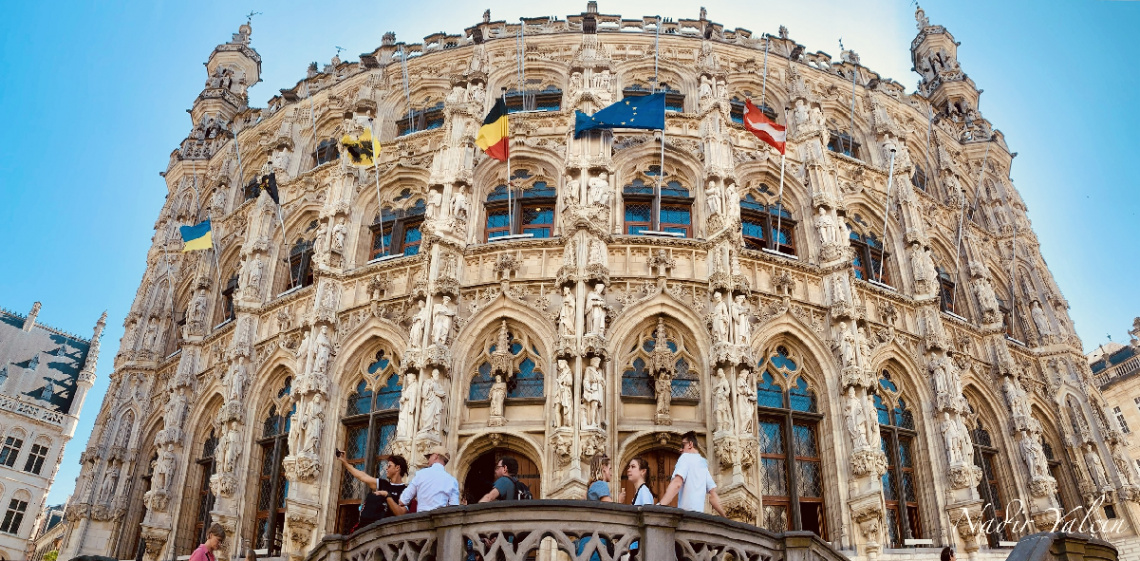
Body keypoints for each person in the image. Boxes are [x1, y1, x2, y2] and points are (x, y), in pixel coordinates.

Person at [657, 432, 727, 517]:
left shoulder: (685, 457)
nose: (680, 449)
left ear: (690, 444)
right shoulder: (703, 465)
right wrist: (726, 517)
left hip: (686, 516)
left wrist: (661, 506)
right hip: (699, 517)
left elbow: (677, 484)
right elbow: (713, 495)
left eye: (682, 446)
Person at [336, 450, 409, 530]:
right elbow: (363, 476)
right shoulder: (383, 484)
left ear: (397, 468)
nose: (386, 469)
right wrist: (345, 463)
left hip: (389, 532)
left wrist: (387, 495)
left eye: (389, 466)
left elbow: (401, 514)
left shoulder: (406, 491)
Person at [400, 445, 460, 512]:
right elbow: (454, 508)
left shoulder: (421, 474)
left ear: (435, 456)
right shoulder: (452, 481)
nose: (428, 460)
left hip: (421, 518)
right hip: (440, 520)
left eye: (430, 456)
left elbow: (403, 501)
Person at [625, 457, 654, 559]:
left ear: (642, 471)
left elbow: (649, 518)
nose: (629, 469)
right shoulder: (639, 492)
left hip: (640, 547)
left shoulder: (644, 492)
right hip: (635, 546)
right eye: (629, 467)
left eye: (633, 467)